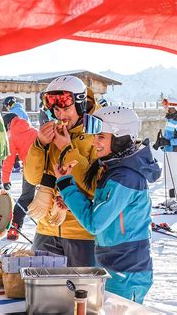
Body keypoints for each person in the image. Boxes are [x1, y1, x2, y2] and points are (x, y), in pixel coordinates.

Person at [54, 106, 160, 303]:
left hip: (126, 271)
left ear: (120, 138)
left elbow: (95, 223)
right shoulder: (115, 168)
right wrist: (74, 203)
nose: (95, 142)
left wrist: (67, 186)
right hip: (114, 265)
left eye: (101, 136)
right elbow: (106, 211)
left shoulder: (125, 177)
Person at [24, 75, 99, 267]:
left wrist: (67, 148)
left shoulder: (98, 134)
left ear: (81, 105)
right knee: (43, 292)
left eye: (66, 108)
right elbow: (32, 178)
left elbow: (94, 186)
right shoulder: (53, 133)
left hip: (81, 232)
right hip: (47, 228)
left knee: (81, 292)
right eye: (56, 109)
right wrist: (39, 144)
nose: (61, 115)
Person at [1, 112, 38, 240]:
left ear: (8, 124)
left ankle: (14, 227)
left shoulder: (12, 136)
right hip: (47, 168)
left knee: (26, 198)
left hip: (30, 169)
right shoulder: (34, 131)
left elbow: (9, 160)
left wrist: (5, 179)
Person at [153, 98, 177, 210]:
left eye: (167, 107)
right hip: (169, 150)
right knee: (167, 176)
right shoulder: (171, 120)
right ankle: (172, 198)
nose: (165, 109)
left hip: (175, 151)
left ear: (174, 108)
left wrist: (168, 142)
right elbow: (169, 136)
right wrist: (161, 141)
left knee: (174, 176)